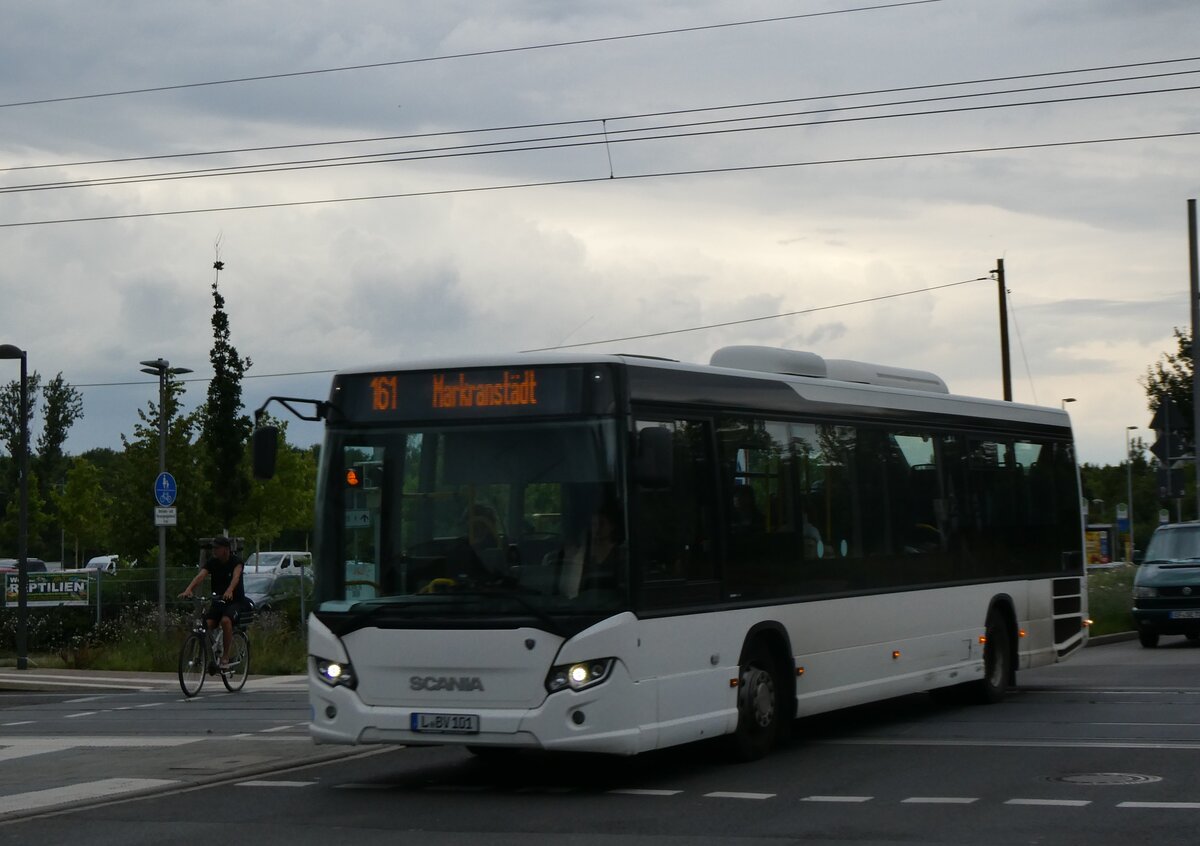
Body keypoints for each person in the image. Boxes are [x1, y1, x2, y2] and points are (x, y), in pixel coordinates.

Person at [179, 536, 250, 670]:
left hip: (235, 602)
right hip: (218, 602)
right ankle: (208, 654)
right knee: (205, 626)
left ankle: (225, 657)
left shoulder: (236, 562)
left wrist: (229, 590)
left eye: (217, 548)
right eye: (213, 548)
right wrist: (189, 589)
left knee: (225, 621)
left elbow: (236, 577)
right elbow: (200, 576)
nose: (214, 550)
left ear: (226, 549)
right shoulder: (213, 562)